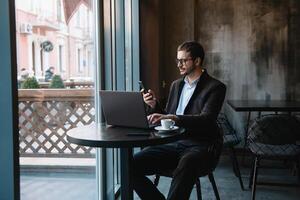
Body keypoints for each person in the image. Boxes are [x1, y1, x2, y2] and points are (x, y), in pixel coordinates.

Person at [132, 41, 226, 200]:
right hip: (172, 143)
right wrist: (154, 105)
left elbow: (207, 119)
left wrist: (173, 117)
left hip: (200, 144)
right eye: (178, 60)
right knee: (130, 165)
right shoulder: (176, 85)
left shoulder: (215, 87)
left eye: (184, 60)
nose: (179, 65)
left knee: (188, 163)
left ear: (197, 61)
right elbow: (167, 116)